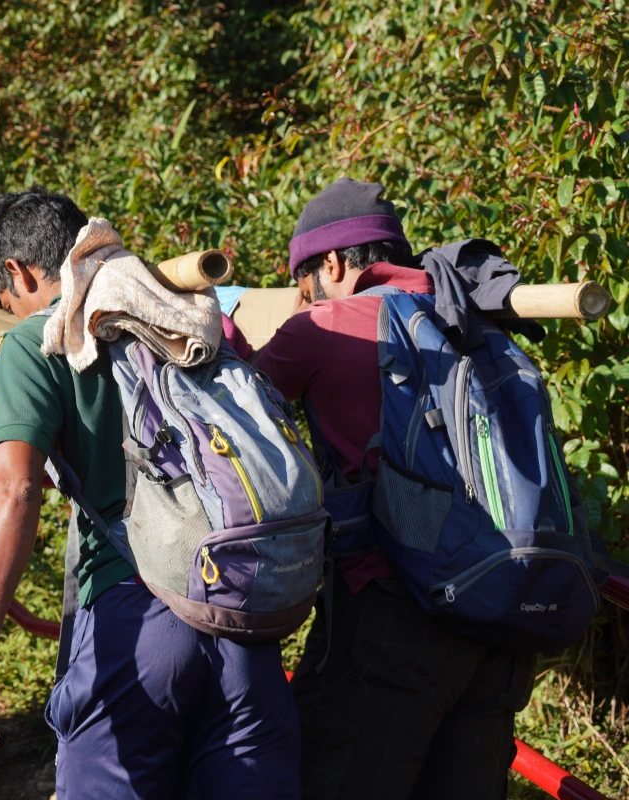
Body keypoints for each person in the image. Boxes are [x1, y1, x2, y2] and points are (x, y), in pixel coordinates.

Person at [0, 187, 301, 799]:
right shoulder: (186, 313)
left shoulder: (36, 341)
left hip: (138, 620)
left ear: (18, 271)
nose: (13, 313)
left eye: (7, 301)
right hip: (245, 619)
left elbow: (15, 487)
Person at [228, 177, 536, 800]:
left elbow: (231, 416)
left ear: (333, 263)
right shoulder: (471, 312)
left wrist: (222, 328)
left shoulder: (323, 326)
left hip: (389, 611)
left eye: (304, 279)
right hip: (500, 607)